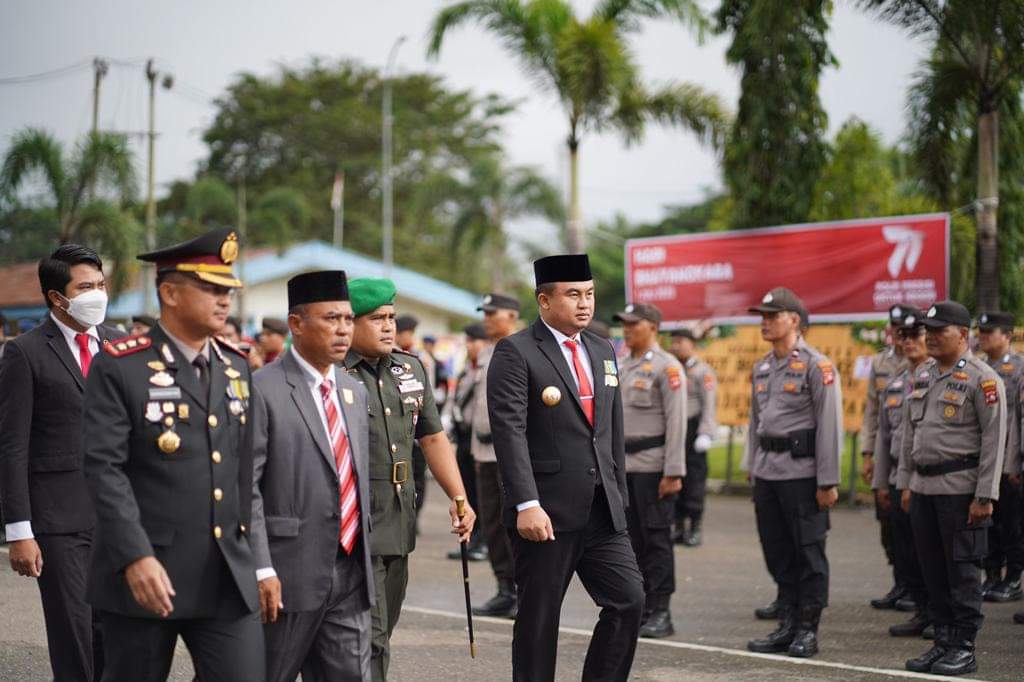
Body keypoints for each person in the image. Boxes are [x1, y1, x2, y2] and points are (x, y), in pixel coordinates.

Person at [81, 228, 264, 681]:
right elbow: (105, 469)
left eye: (228, 291)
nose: (224, 300)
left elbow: (245, 473)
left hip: (224, 571)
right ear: (169, 292)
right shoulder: (121, 364)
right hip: (147, 571)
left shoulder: (236, 365)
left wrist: (260, 561)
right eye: (211, 288)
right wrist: (134, 556)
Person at [487, 254, 644, 682]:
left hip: (600, 509)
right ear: (544, 300)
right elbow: (510, 433)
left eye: (589, 293)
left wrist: (618, 495)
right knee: (540, 620)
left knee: (628, 601)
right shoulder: (516, 351)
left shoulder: (601, 348)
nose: (584, 303)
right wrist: (526, 503)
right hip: (546, 512)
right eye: (573, 294)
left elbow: (610, 429)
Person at [0, 244, 123, 682]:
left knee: (117, 633)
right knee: (75, 633)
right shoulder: (26, 353)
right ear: (57, 297)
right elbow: (12, 446)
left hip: (119, 515)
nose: (98, 294)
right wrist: (20, 531)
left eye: (101, 284)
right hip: (59, 520)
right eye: (85, 286)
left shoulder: (119, 344)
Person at [342, 278, 475, 681]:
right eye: (376, 318)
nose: (387, 326)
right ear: (349, 323)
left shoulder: (410, 368)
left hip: (399, 516)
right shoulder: (334, 373)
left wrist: (459, 498)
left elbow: (433, 437)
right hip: (356, 521)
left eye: (391, 317)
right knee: (370, 636)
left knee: (383, 629)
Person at [249, 270, 375, 681]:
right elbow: (244, 487)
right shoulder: (262, 390)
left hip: (350, 570)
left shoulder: (354, 391)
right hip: (288, 573)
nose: (343, 330)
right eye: (331, 319)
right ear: (296, 324)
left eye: (348, 319)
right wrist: (262, 568)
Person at [897, 300, 1005, 675]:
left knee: (961, 573)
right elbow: (912, 433)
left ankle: (963, 646)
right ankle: (941, 640)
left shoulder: (983, 378)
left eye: (938, 330)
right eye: (927, 330)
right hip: (924, 487)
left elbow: (995, 441)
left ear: (962, 334)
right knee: (932, 571)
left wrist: (985, 495)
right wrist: (906, 482)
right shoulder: (924, 374)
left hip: (961, 491)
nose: (929, 337)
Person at [743, 287, 842, 659]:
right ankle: (786, 623)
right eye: (763, 317)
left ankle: (807, 629)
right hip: (769, 472)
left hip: (803, 474)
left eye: (773, 316)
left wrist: (827, 481)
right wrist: (752, 467)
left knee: (809, 554)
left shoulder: (818, 365)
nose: (765, 322)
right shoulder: (763, 366)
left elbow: (829, 424)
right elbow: (755, 422)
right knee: (777, 551)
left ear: (794, 320)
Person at [614, 302, 686, 638]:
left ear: (654, 327)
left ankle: (662, 611)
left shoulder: (667, 367)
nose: (627, 329)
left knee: (656, 539)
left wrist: (673, 471)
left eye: (634, 324)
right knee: (629, 539)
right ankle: (640, 606)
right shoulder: (619, 364)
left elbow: (676, 422)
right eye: (625, 324)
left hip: (654, 467)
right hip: (622, 467)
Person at [873, 307, 932, 638]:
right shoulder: (895, 384)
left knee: (931, 551)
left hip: (927, 477)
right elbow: (884, 437)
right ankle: (922, 609)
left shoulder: (939, 378)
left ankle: (942, 615)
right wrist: (882, 481)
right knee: (905, 547)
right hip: (897, 476)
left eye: (916, 336)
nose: (908, 342)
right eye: (904, 336)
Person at [470, 293, 521, 619]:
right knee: (491, 523)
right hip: (482, 451)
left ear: (512, 316)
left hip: (510, 452)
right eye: (485, 314)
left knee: (513, 525)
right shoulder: (487, 351)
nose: (487, 319)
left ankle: (521, 590)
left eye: (493, 313)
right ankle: (504, 588)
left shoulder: (525, 347)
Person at [864, 305, 911, 611]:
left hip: (908, 456)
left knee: (910, 527)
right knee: (887, 523)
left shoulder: (923, 360)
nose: (898, 334)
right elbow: (871, 412)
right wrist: (867, 453)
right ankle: (900, 581)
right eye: (894, 327)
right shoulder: (880, 362)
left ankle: (914, 587)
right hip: (884, 450)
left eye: (904, 329)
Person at [975, 311, 1024, 603]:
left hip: (1008, 458)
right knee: (987, 523)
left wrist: (1014, 462)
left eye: (989, 332)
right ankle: (992, 575)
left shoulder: (1018, 369)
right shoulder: (977, 368)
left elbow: (1017, 419)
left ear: (1007, 335)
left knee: (1012, 522)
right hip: (983, 459)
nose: (983, 337)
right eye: (980, 332)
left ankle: (1013, 577)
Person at [669, 328, 717, 547]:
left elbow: (709, 405)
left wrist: (706, 433)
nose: (676, 345)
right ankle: (678, 526)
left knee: (694, 482)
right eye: (674, 342)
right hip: (674, 431)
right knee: (675, 477)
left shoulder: (702, 371)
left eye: (681, 341)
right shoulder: (670, 368)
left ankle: (695, 527)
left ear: (692, 344)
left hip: (693, 429)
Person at [447, 321, 487, 562]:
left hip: (479, 438)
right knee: (468, 492)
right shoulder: (466, 370)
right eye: (468, 341)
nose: (470, 346)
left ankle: (483, 542)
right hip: (463, 438)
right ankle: (471, 541)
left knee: (482, 495)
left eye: (474, 341)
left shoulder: (485, 369)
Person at [395, 314, 431, 517]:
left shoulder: (419, 360)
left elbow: (427, 393)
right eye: (407, 333)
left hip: (417, 422)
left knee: (418, 475)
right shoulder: (392, 357)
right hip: (399, 425)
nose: (410, 337)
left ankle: (415, 515)